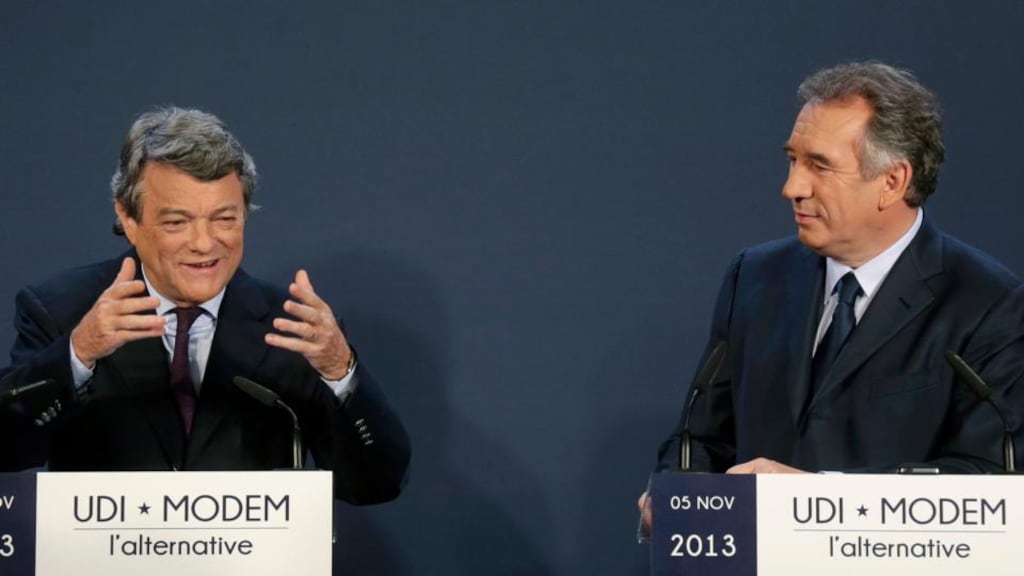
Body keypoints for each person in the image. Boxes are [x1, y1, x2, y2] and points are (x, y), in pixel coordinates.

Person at [639, 61, 1024, 524]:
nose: (791, 187)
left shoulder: (987, 302)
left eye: (819, 166)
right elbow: (700, 437)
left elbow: (988, 478)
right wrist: (678, 491)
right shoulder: (755, 277)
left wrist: (819, 499)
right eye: (792, 160)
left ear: (892, 182)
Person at [0, 107, 410, 505]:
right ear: (128, 219)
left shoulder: (296, 329)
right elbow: (8, 450)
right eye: (177, 222)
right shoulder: (62, 310)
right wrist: (78, 354)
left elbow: (376, 484)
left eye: (224, 219)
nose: (203, 243)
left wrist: (341, 372)